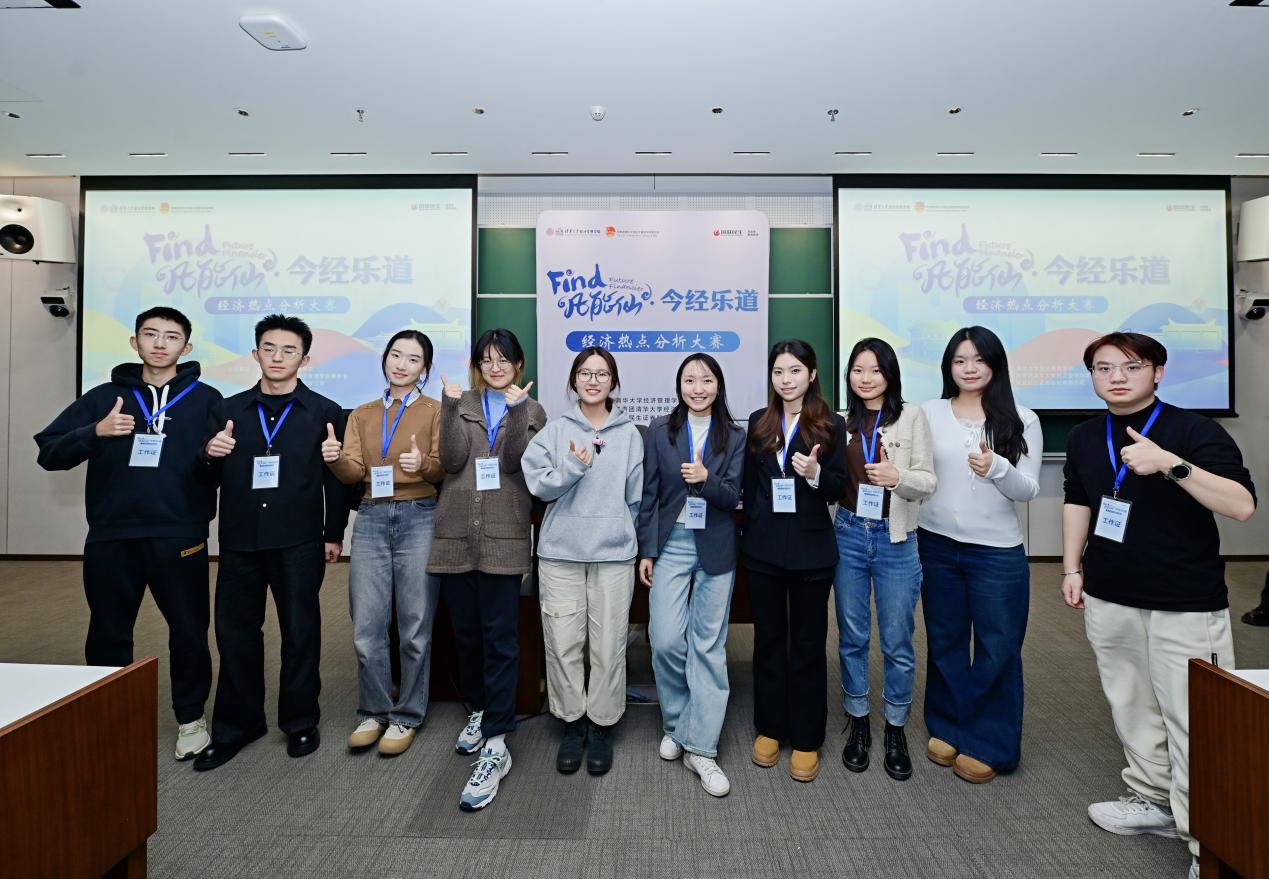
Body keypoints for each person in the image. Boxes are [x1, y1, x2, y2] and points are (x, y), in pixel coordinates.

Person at [1061, 332, 1255, 879]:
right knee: (1131, 704)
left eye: (1131, 366)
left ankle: (1209, 846)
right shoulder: (1084, 435)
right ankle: (1154, 800)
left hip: (1184, 601)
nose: (1117, 377)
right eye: (1103, 368)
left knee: (1197, 721)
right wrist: (1072, 567)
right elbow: (1078, 499)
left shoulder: (1194, 431)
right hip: (1110, 593)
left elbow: (1242, 505)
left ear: (1158, 372)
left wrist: (1171, 464)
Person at [35, 306, 222, 761]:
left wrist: (212, 457)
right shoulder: (103, 397)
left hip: (180, 533)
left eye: (171, 336)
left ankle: (191, 718)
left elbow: (221, 470)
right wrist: (94, 432)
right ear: (134, 342)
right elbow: (49, 453)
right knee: (108, 630)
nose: (160, 343)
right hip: (112, 535)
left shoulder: (207, 399)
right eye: (150, 334)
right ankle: (108, 716)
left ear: (187, 347)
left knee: (189, 630)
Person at [193, 314, 349, 771]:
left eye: (289, 350)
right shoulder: (228, 410)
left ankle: (300, 721)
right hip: (240, 539)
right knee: (235, 634)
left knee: (300, 632)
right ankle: (237, 726)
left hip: (299, 540)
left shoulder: (325, 411)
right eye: (269, 348)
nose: (278, 357)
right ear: (255, 353)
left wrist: (333, 533)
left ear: (305, 359)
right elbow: (203, 477)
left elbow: (336, 479)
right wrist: (209, 455)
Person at [917, 326, 1041, 784]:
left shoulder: (1022, 419)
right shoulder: (929, 413)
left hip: (996, 552)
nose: (969, 369)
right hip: (935, 543)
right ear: (948, 367)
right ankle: (949, 725)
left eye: (978, 360)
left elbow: (1028, 489)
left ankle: (989, 742)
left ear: (995, 365)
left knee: (997, 646)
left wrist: (998, 467)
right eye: (959, 361)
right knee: (945, 639)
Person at [428, 329, 545, 811]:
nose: (495, 368)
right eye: (487, 361)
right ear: (477, 366)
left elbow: (515, 463)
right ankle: (478, 709)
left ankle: (497, 737)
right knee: (466, 635)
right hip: (456, 535)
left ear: (518, 365)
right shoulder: (460, 403)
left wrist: (517, 412)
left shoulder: (532, 410)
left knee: (500, 638)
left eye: (504, 360)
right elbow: (453, 459)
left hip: (502, 538)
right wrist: (449, 406)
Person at [523, 346, 643, 777]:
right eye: (585, 373)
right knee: (563, 642)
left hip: (613, 555)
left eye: (602, 373)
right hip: (561, 555)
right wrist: (572, 469)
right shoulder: (554, 431)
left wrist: (621, 532)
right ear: (574, 381)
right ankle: (572, 723)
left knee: (609, 645)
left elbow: (635, 498)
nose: (593, 380)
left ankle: (602, 724)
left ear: (614, 382)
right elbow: (539, 486)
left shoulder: (630, 434)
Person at [324, 330, 443, 757]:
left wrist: (423, 464)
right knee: (367, 625)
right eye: (396, 355)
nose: (401, 365)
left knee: (414, 625)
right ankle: (373, 711)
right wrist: (335, 459)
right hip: (372, 517)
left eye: (413, 359)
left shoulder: (436, 411)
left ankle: (407, 714)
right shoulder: (363, 413)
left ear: (424, 368)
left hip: (419, 516)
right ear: (385, 359)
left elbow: (444, 467)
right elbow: (354, 473)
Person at [637, 353, 745, 797]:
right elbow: (649, 493)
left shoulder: (734, 436)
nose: (697, 388)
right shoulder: (660, 430)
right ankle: (677, 722)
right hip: (671, 543)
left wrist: (705, 479)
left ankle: (701, 746)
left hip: (716, 544)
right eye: (689, 380)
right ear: (679, 386)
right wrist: (646, 550)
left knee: (708, 646)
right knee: (664, 639)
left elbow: (733, 495)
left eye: (706, 380)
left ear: (718, 386)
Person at [742, 339, 847, 783]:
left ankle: (806, 737)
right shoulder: (759, 421)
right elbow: (750, 487)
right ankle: (770, 727)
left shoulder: (831, 424)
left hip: (811, 551)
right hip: (764, 549)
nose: (786, 380)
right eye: (778, 372)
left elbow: (839, 487)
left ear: (812, 374)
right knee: (767, 641)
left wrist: (816, 474)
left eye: (795, 371)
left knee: (807, 644)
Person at [833, 338, 935, 782]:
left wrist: (898, 476)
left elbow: (928, 481)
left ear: (890, 374)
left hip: (896, 538)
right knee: (853, 636)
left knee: (897, 640)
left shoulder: (912, 416)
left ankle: (895, 727)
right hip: (848, 534)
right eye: (858, 370)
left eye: (875, 370)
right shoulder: (840, 422)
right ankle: (858, 720)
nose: (866, 378)